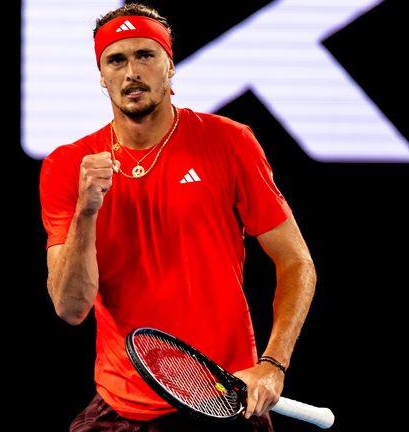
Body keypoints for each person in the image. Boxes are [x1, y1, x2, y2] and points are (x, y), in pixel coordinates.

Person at [39, 3, 317, 431]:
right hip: (122, 405)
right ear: (101, 76)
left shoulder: (229, 142)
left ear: (170, 66)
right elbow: (70, 308)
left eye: (145, 55)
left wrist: (273, 364)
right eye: (116, 59)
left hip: (224, 397)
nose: (131, 72)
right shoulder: (67, 165)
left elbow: (297, 262)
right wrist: (87, 211)